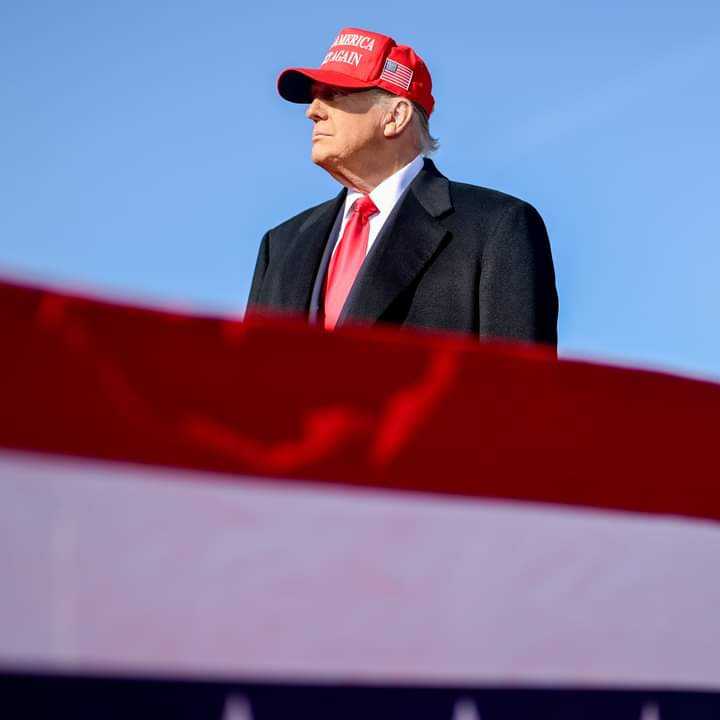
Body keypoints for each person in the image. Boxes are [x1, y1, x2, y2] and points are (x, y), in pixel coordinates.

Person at [247, 27, 558, 347]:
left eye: (333, 94)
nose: (312, 111)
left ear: (396, 116)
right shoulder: (280, 246)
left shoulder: (497, 227)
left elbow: (518, 387)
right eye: (314, 97)